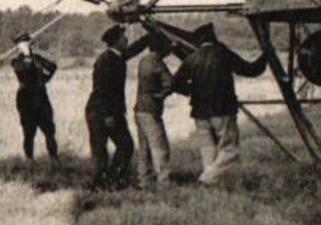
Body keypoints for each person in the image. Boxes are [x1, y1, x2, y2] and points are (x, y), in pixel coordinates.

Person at [171, 24, 267, 184]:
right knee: (230, 150)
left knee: (208, 150)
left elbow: (175, 84)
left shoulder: (192, 58)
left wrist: (193, 90)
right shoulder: (223, 54)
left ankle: (210, 186)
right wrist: (266, 56)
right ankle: (205, 180)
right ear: (213, 37)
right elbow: (251, 70)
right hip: (222, 110)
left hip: (199, 113)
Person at [85, 24, 158, 190]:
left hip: (108, 111)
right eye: (123, 37)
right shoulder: (106, 61)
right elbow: (102, 89)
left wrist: (149, 35)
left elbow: (133, 50)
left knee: (125, 146)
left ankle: (110, 180)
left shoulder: (115, 56)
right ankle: (100, 184)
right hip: (101, 112)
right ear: (116, 41)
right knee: (102, 150)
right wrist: (107, 116)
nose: (126, 39)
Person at [133, 32, 177, 185]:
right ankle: (164, 182)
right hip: (152, 109)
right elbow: (170, 83)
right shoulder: (157, 61)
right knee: (160, 147)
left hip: (139, 108)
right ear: (161, 46)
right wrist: (161, 95)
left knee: (144, 148)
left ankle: (144, 180)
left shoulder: (143, 60)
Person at [11, 33, 60, 162]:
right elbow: (24, 73)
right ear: (18, 46)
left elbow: (53, 67)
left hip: (42, 98)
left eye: (27, 41)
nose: (26, 44)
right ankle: (29, 160)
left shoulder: (37, 58)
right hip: (26, 99)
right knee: (29, 132)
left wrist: (44, 79)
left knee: (49, 130)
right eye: (23, 43)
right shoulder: (17, 62)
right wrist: (27, 57)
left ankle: (54, 159)